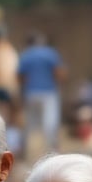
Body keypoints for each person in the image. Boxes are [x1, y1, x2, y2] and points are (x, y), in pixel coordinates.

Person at [17, 31, 67, 159]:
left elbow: (20, 76)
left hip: (31, 92)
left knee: (30, 123)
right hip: (48, 91)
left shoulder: (26, 54)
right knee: (49, 122)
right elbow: (60, 72)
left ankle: (25, 151)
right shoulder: (50, 53)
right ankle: (53, 152)